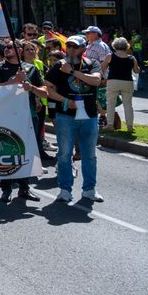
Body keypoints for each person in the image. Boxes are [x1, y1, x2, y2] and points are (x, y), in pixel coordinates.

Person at [45, 35, 104, 203]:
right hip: (66, 117)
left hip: (89, 116)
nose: (71, 49)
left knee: (89, 155)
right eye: (69, 46)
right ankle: (65, 190)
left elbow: (96, 80)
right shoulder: (58, 65)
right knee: (64, 154)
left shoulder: (92, 63)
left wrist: (71, 72)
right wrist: (65, 101)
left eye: (75, 47)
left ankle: (89, 190)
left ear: (83, 49)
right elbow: (48, 88)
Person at [0, 41, 46, 203]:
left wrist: (32, 88)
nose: (6, 49)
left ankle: (24, 187)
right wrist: (14, 80)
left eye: (9, 47)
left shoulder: (31, 68)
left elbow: (44, 92)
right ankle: (6, 189)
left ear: (19, 50)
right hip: (6, 115)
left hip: (28, 115)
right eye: (5, 47)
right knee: (8, 151)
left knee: (27, 151)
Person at [103, 37, 139, 132]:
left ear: (114, 46)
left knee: (110, 103)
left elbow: (102, 68)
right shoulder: (132, 58)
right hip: (127, 81)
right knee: (128, 104)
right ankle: (130, 126)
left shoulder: (110, 56)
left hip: (113, 81)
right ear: (126, 46)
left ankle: (110, 124)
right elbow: (136, 71)